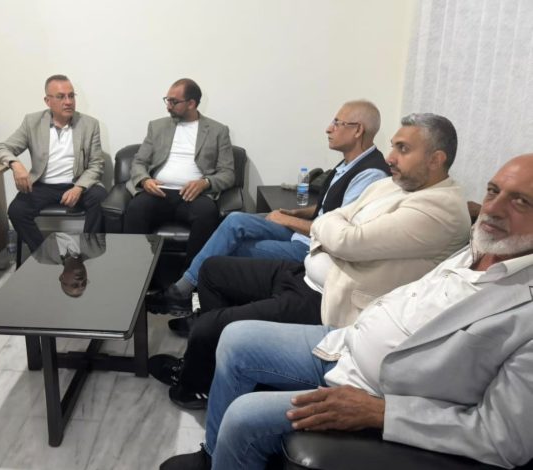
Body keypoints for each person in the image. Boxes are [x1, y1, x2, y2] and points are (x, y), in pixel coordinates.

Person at [160, 154, 533, 470]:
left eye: (520, 202)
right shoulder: (479, 248)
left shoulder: (519, 299)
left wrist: (381, 413)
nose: (493, 208)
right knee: (235, 337)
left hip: (382, 389)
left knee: (244, 414)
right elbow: (338, 220)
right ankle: (214, 455)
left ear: (435, 158)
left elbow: (505, 438)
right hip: (347, 342)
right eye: (493, 191)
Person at [150, 113, 471, 410]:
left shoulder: (437, 210)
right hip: (308, 270)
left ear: (436, 159)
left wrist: (333, 229)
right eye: (393, 146)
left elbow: (347, 239)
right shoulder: (393, 185)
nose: (391, 157)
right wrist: (333, 228)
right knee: (214, 269)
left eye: (403, 149)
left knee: (214, 318)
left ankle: (196, 384)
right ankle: (209, 361)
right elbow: (338, 218)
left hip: (327, 296)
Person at [149, 99, 391, 314]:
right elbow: (330, 207)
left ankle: (196, 304)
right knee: (234, 221)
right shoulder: (349, 163)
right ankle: (189, 295)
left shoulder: (369, 175)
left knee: (232, 249)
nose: (329, 128)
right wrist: (298, 212)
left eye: (337, 123)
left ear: (358, 130)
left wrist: (289, 221)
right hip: (307, 233)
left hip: (315, 249)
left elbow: (340, 233)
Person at [123, 78, 235, 266]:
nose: (168, 106)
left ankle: (190, 278)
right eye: (167, 100)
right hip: (158, 192)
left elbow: (228, 173)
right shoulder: (157, 126)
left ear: (191, 103)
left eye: (173, 102)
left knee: (207, 212)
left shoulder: (218, 131)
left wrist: (205, 183)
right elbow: (139, 162)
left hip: (193, 196)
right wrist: (144, 180)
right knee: (135, 208)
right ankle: (136, 272)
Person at [0, 75, 107, 252]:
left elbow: (96, 164)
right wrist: (16, 164)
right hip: (43, 185)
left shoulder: (89, 124)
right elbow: (1, 149)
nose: (68, 102)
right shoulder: (32, 122)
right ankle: (45, 255)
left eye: (71, 96)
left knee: (99, 198)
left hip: (77, 182)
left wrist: (79, 187)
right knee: (17, 211)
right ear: (47, 101)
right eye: (61, 97)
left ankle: (89, 251)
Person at [32, 232, 106, 297]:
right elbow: (99, 221)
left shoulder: (42, 255)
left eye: (75, 285)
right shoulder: (97, 248)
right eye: (84, 283)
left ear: (62, 277)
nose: (80, 281)